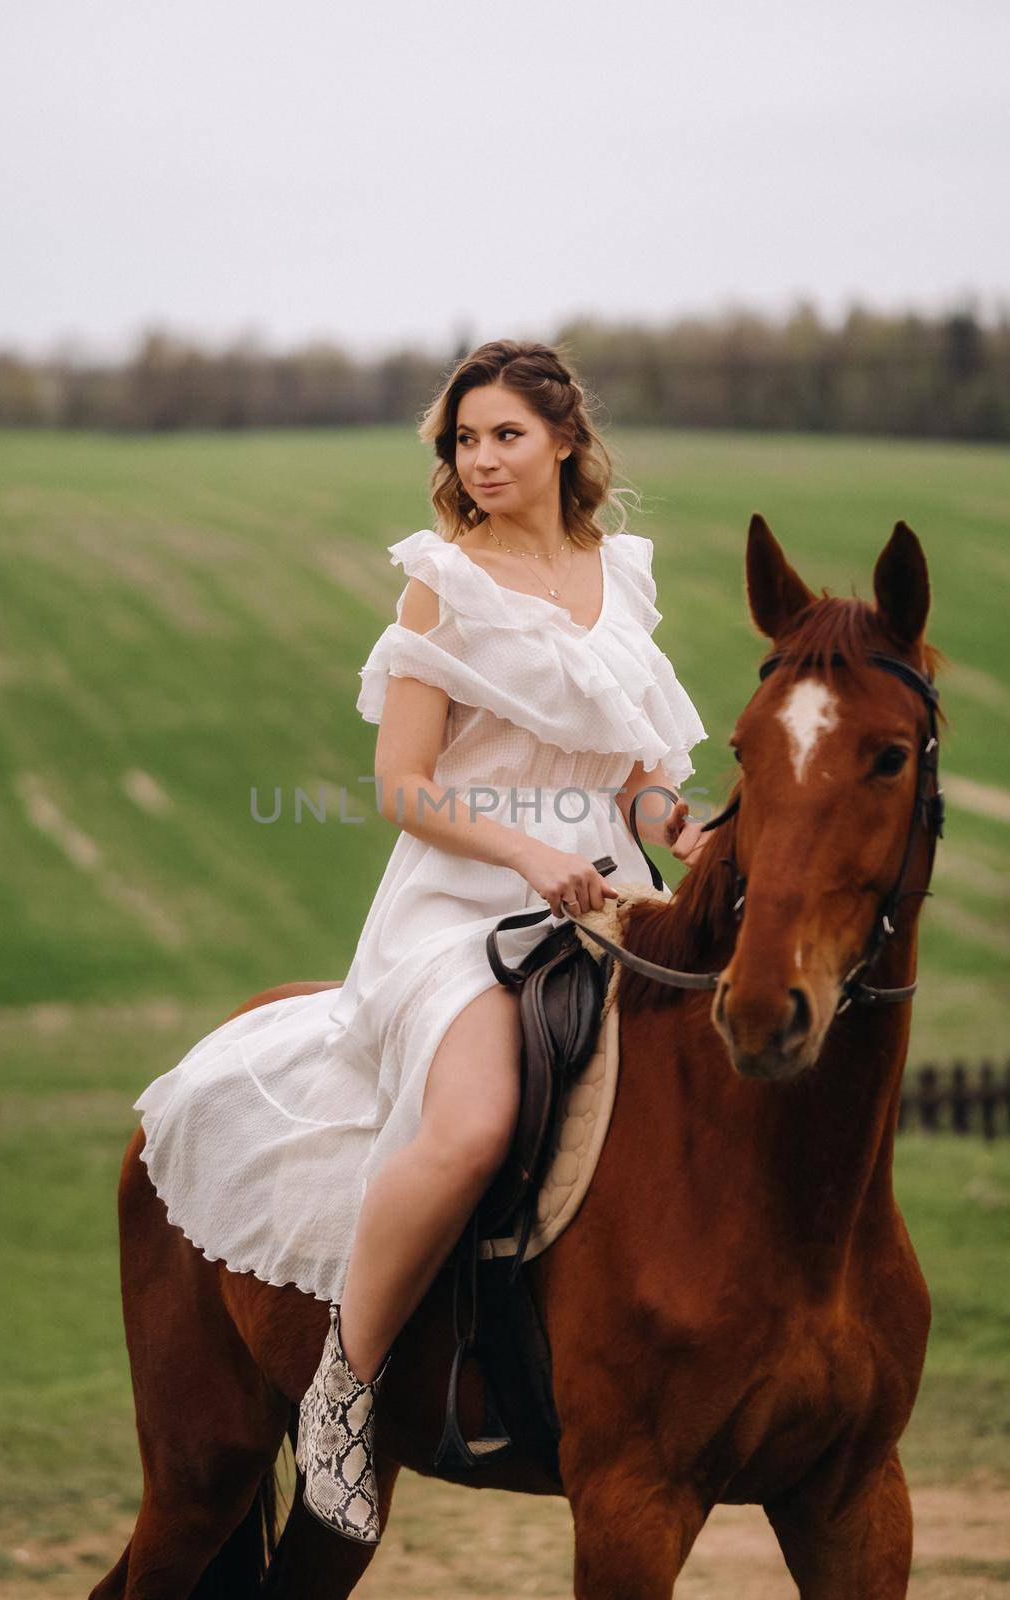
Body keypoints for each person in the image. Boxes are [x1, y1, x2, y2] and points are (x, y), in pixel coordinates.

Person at [131, 339, 709, 1544]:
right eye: (462, 438)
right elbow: (401, 784)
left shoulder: (622, 576)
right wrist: (526, 852)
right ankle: (345, 1387)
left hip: (611, 899)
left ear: (563, 440)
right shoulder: (442, 582)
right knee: (470, 1126)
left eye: (504, 434)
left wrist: (683, 835)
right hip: (460, 907)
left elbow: (643, 775)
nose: (480, 458)